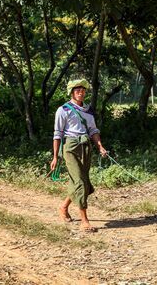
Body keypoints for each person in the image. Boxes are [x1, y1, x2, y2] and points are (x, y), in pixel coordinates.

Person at [50, 79, 107, 232]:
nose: (81, 93)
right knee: (80, 183)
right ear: (72, 92)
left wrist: (100, 146)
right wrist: (55, 156)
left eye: (83, 90)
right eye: (77, 91)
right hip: (71, 148)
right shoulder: (64, 110)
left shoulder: (88, 111)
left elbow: (93, 130)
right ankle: (84, 220)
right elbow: (57, 134)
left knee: (83, 182)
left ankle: (63, 207)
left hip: (86, 147)